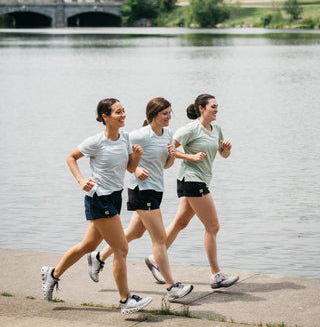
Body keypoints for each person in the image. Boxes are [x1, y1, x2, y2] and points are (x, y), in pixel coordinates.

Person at [41, 98, 152, 315]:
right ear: (105, 116)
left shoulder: (125, 139)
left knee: (88, 246)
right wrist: (81, 180)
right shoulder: (95, 142)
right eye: (118, 112)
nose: (123, 115)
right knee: (121, 248)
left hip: (115, 197)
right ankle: (125, 300)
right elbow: (71, 158)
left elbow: (130, 169)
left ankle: (52, 274)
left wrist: (137, 157)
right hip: (99, 198)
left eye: (124, 111)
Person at [86, 97, 194, 301]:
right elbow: (121, 150)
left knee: (134, 232)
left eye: (170, 112)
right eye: (165, 113)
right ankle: (172, 287)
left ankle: (98, 257)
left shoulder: (168, 134)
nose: (169, 117)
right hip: (141, 189)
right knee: (160, 239)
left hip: (156, 189)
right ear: (153, 115)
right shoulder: (140, 135)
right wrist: (137, 167)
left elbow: (166, 166)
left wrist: (172, 155)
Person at [145, 94, 239, 290]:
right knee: (213, 227)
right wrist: (192, 157)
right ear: (201, 108)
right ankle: (216, 275)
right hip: (191, 180)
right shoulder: (190, 129)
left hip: (201, 179)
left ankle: (155, 259)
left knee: (181, 222)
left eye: (217, 106)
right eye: (213, 106)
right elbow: (168, 149)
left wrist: (227, 149)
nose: (216, 109)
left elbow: (223, 154)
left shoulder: (216, 128)